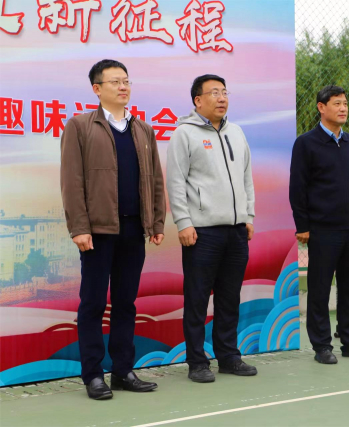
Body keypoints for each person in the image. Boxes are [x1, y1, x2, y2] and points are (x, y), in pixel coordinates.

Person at [60, 59, 166, 400]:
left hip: (134, 230)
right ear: (97, 89)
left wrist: (156, 222)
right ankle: (93, 375)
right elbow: (72, 182)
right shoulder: (79, 126)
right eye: (115, 82)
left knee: (125, 303)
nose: (123, 87)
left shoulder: (143, 130)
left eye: (127, 81)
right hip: (98, 232)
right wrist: (79, 227)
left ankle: (123, 371)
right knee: (93, 303)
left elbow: (155, 179)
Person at [166, 74, 257, 383]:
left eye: (224, 92)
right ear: (198, 100)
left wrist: (248, 216)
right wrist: (184, 222)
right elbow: (176, 182)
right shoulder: (184, 133)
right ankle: (197, 362)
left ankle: (229, 356)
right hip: (202, 232)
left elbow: (246, 178)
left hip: (236, 231)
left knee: (230, 298)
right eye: (214, 93)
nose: (221, 98)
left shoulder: (237, 132)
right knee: (197, 299)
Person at [289, 85, 349, 365]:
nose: (343, 108)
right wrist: (303, 225)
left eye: (345, 103)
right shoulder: (306, 143)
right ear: (321, 107)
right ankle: (322, 346)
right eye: (337, 103)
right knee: (319, 289)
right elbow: (297, 187)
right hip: (322, 229)